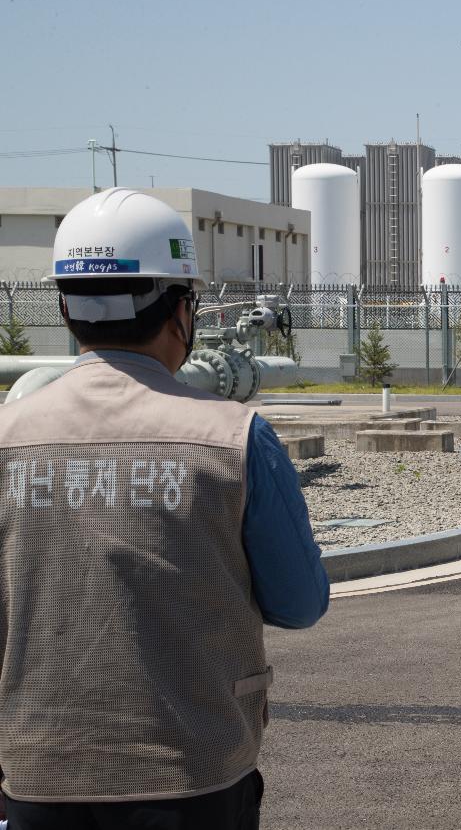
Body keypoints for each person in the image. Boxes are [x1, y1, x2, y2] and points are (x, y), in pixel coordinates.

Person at [0, 189, 329, 828]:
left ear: (65, 307)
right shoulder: (235, 437)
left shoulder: (7, 436)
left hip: (38, 773)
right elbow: (299, 601)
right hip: (190, 771)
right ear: (182, 309)